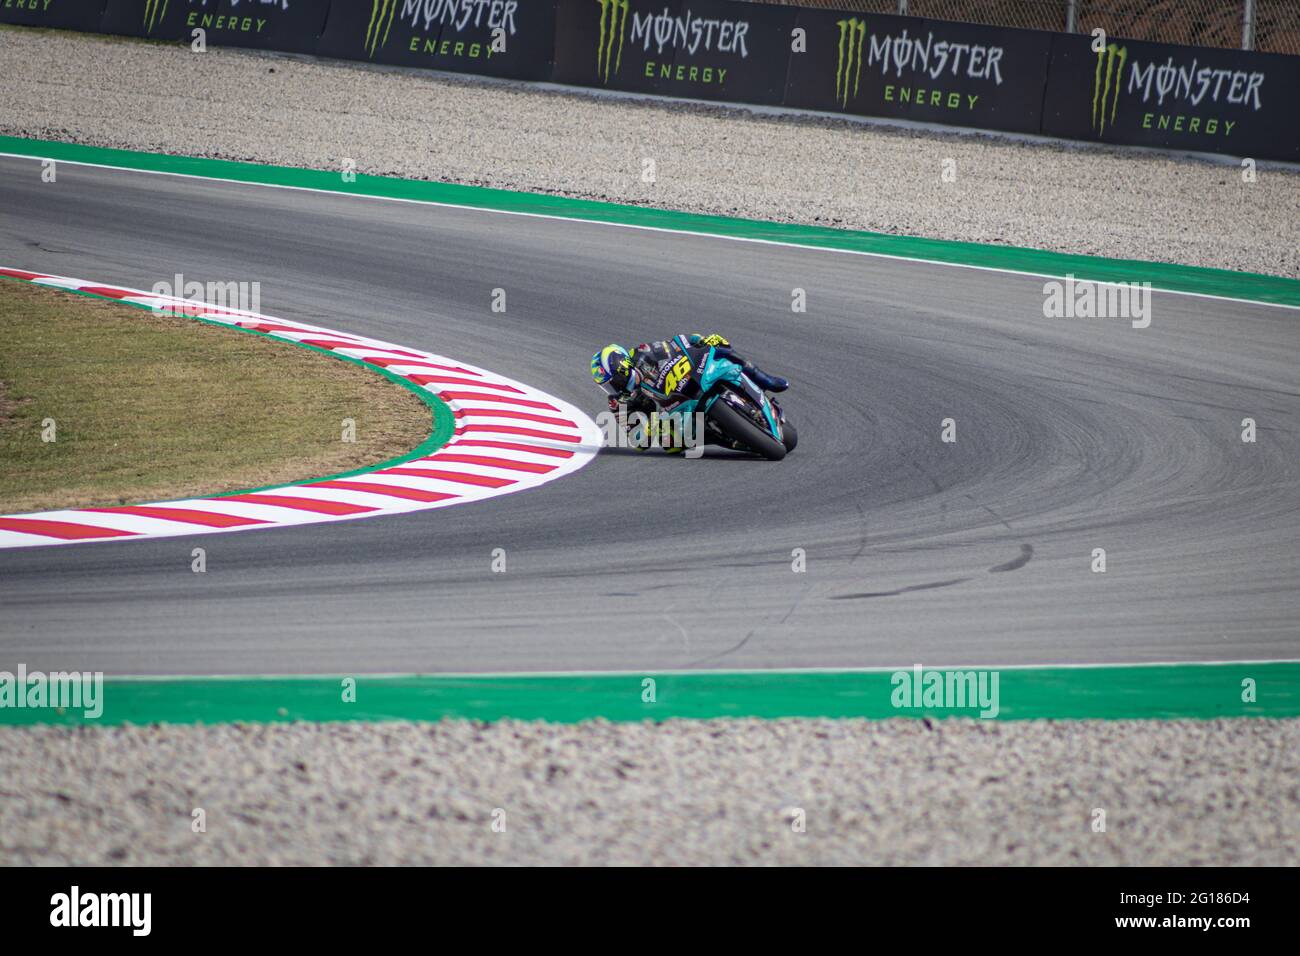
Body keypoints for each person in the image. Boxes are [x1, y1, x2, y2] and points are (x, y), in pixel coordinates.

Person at [589, 333, 787, 451]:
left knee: (721, 348)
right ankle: (724, 438)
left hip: (688, 383)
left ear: (622, 367)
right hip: (671, 417)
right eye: (607, 386)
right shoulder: (618, 403)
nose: (613, 389)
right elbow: (636, 440)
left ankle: (765, 379)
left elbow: (678, 343)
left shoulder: (643, 353)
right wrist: (648, 429)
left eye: (613, 382)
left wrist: (700, 339)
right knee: (670, 445)